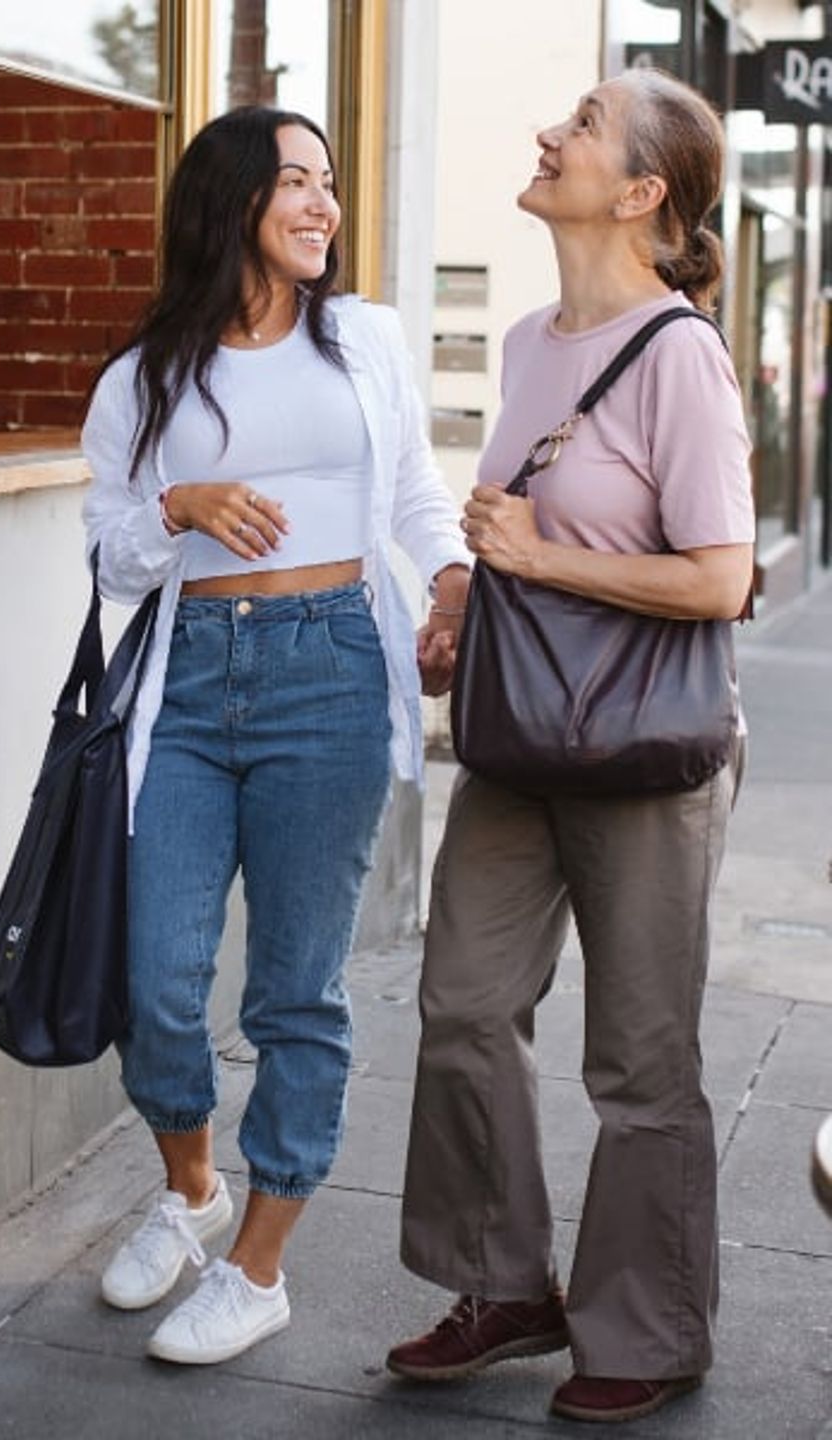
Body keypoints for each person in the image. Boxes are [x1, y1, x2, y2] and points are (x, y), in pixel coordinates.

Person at [386, 70, 755, 1425]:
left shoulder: (684, 356)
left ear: (644, 192)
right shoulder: (535, 339)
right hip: (521, 733)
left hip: (650, 754)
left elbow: (721, 581)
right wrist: (470, 591)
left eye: (586, 126)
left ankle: (647, 1329)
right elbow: (528, 528)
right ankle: (505, 1284)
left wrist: (537, 555)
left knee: (640, 1059)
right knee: (465, 1004)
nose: (551, 134)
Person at [81, 105, 469, 1367]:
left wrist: (452, 577)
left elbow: (413, 489)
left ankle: (258, 1268)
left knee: (297, 991)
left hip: (331, 672)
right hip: (190, 685)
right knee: (157, 978)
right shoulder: (146, 375)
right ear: (230, 200)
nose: (322, 204)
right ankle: (191, 1192)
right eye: (295, 180)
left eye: (331, 183)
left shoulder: (363, 341)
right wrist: (175, 505)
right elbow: (111, 553)